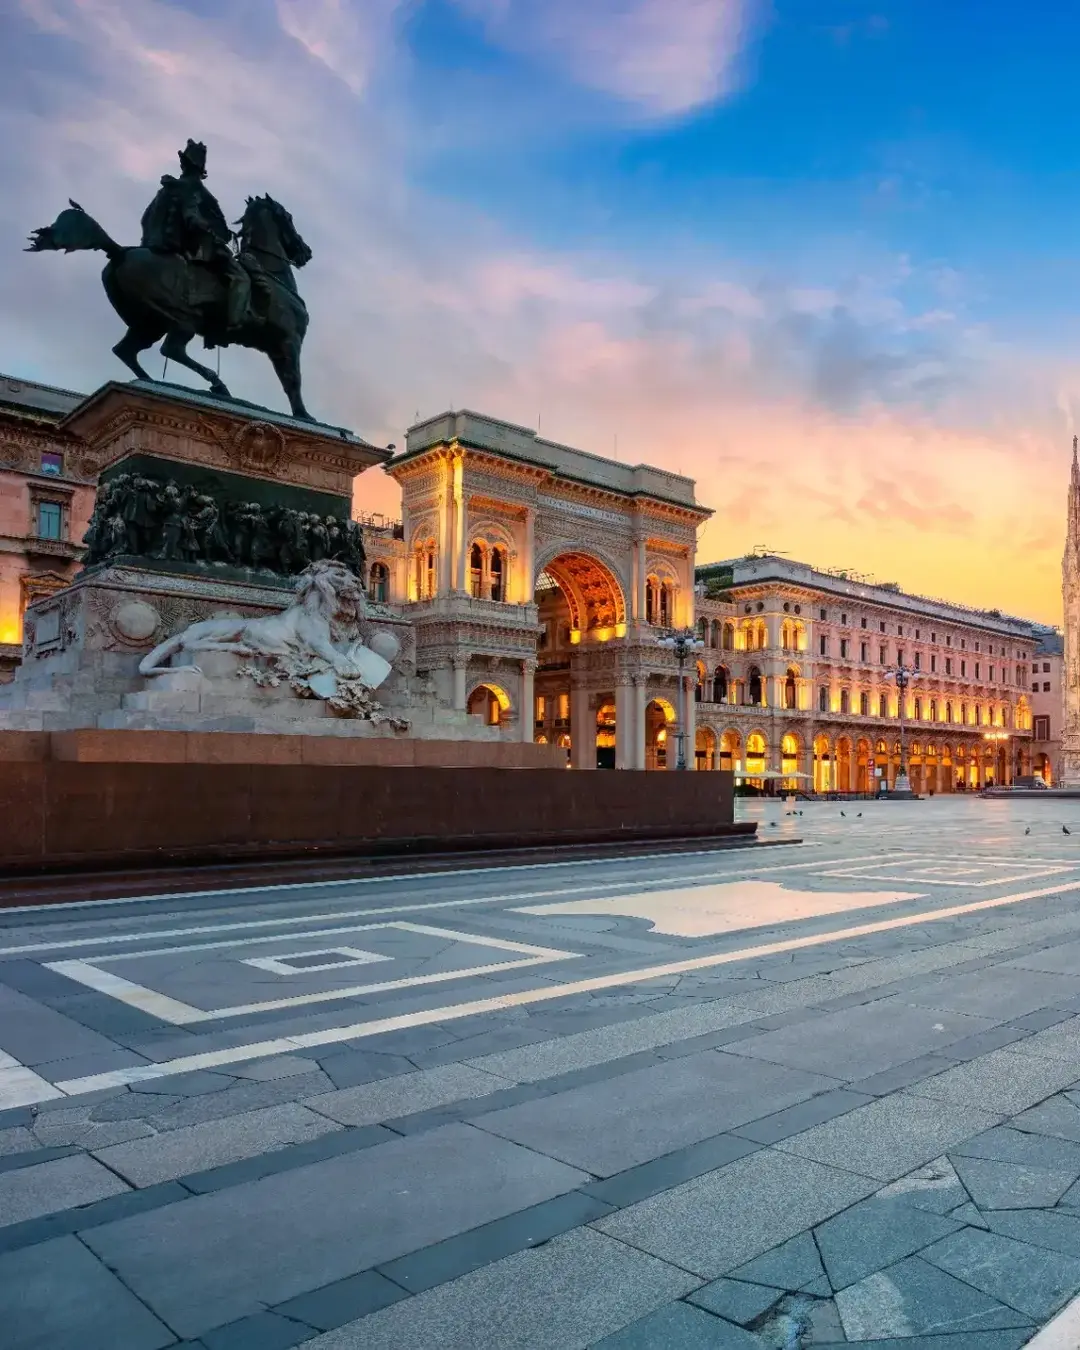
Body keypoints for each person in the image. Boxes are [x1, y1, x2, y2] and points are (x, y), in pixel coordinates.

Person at [140, 139, 249, 333]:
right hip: (199, 248)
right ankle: (233, 322)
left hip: (164, 244)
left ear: (185, 164)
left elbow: (145, 218)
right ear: (201, 167)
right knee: (241, 277)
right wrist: (214, 231)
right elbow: (197, 220)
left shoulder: (168, 187)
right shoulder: (197, 190)